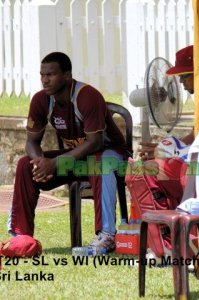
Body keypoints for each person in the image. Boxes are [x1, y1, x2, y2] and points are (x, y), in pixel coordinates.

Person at [125, 45, 199, 252]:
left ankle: (168, 247)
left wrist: (169, 151)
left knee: (139, 172)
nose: (180, 82)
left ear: (198, 73)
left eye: (184, 76)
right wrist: (165, 148)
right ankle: (173, 242)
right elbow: (196, 135)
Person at [7, 52, 129, 253]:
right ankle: (21, 236)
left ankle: (106, 236)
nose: (45, 80)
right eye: (42, 75)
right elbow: (31, 142)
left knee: (101, 161)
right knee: (24, 165)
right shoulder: (41, 100)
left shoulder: (87, 96)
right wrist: (40, 161)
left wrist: (54, 163)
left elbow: (95, 142)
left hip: (112, 156)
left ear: (67, 75)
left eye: (51, 74)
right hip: (77, 161)